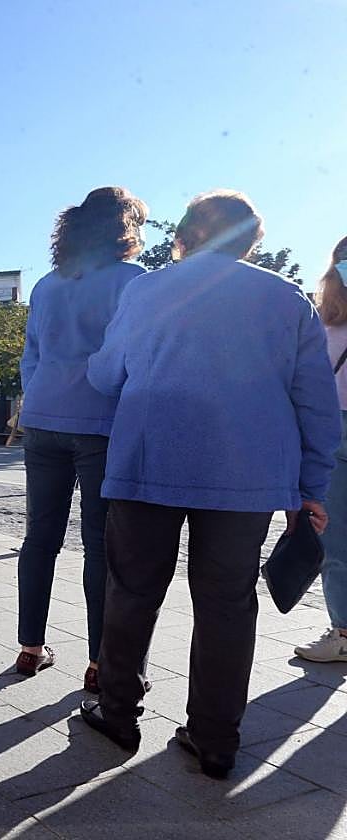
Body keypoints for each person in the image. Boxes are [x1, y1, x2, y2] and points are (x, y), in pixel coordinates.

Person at [81, 190, 340, 779]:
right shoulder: (285, 298)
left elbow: (106, 374)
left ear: (190, 231)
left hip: (150, 462)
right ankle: (215, 738)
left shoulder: (145, 289)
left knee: (133, 591)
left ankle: (118, 712)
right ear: (253, 239)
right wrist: (311, 486)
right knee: (226, 605)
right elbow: (315, 401)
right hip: (244, 476)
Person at [14, 186, 148, 692]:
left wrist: (44, 393)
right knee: (101, 546)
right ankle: (97, 661)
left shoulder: (48, 284)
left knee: (40, 538)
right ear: (125, 226)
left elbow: (31, 355)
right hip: (100, 423)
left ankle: (30, 647)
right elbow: (134, 355)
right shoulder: (133, 281)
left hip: (43, 419)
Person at [295, 236, 347, 662]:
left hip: (329, 432)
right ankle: (343, 630)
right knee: (336, 540)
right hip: (331, 433)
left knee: (338, 541)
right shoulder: (321, 323)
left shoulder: (322, 323)